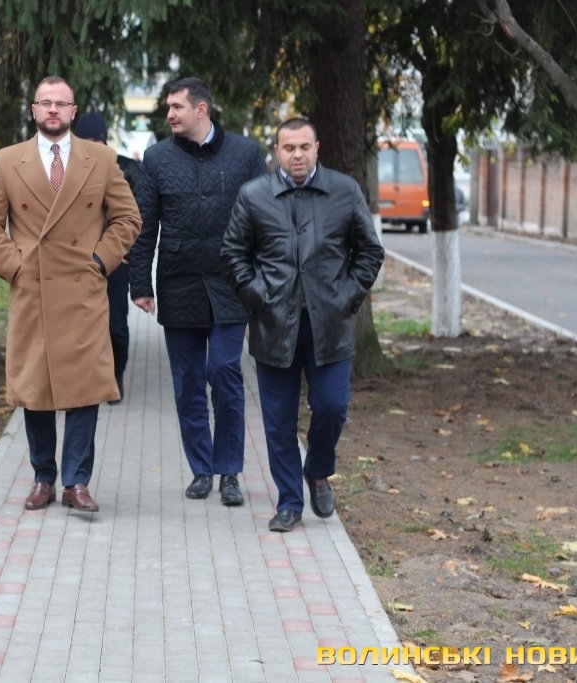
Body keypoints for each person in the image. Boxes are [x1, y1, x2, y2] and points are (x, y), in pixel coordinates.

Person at [0, 76, 142, 514]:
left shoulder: (100, 159)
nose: (52, 109)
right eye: (44, 102)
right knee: (36, 388)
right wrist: (15, 267)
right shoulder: (8, 161)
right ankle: (43, 478)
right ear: (33, 110)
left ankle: (77, 482)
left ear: (73, 111)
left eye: (60, 103)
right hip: (34, 291)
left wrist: (101, 261)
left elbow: (128, 218)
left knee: (85, 388)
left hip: (84, 291)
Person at [221, 118, 384, 532]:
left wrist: (345, 298)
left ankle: (318, 469)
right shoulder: (254, 194)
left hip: (328, 325)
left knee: (332, 406)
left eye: (304, 147)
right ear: (276, 151)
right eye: (289, 147)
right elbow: (233, 254)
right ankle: (290, 503)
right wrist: (258, 298)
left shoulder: (343, 191)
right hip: (274, 327)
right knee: (278, 420)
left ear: (317, 148)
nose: (297, 155)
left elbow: (369, 252)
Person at [127, 76, 267, 505]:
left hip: (231, 284)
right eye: (168, 107)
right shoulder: (157, 158)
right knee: (188, 382)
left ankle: (230, 472)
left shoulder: (246, 154)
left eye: (176, 107)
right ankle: (201, 470)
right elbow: (144, 225)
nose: (169, 114)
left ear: (201, 109)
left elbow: (265, 220)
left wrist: (262, 280)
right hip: (179, 282)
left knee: (224, 372)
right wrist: (140, 284)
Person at [73, 111, 142, 404]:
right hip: (77, 261)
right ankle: (85, 379)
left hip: (115, 261)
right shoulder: (67, 170)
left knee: (116, 327)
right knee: (80, 325)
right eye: (85, 140)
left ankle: (115, 374)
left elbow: (139, 216)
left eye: (96, 140)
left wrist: (128, 255)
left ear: (105, 140)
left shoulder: (126, 169)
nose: (92, 146)